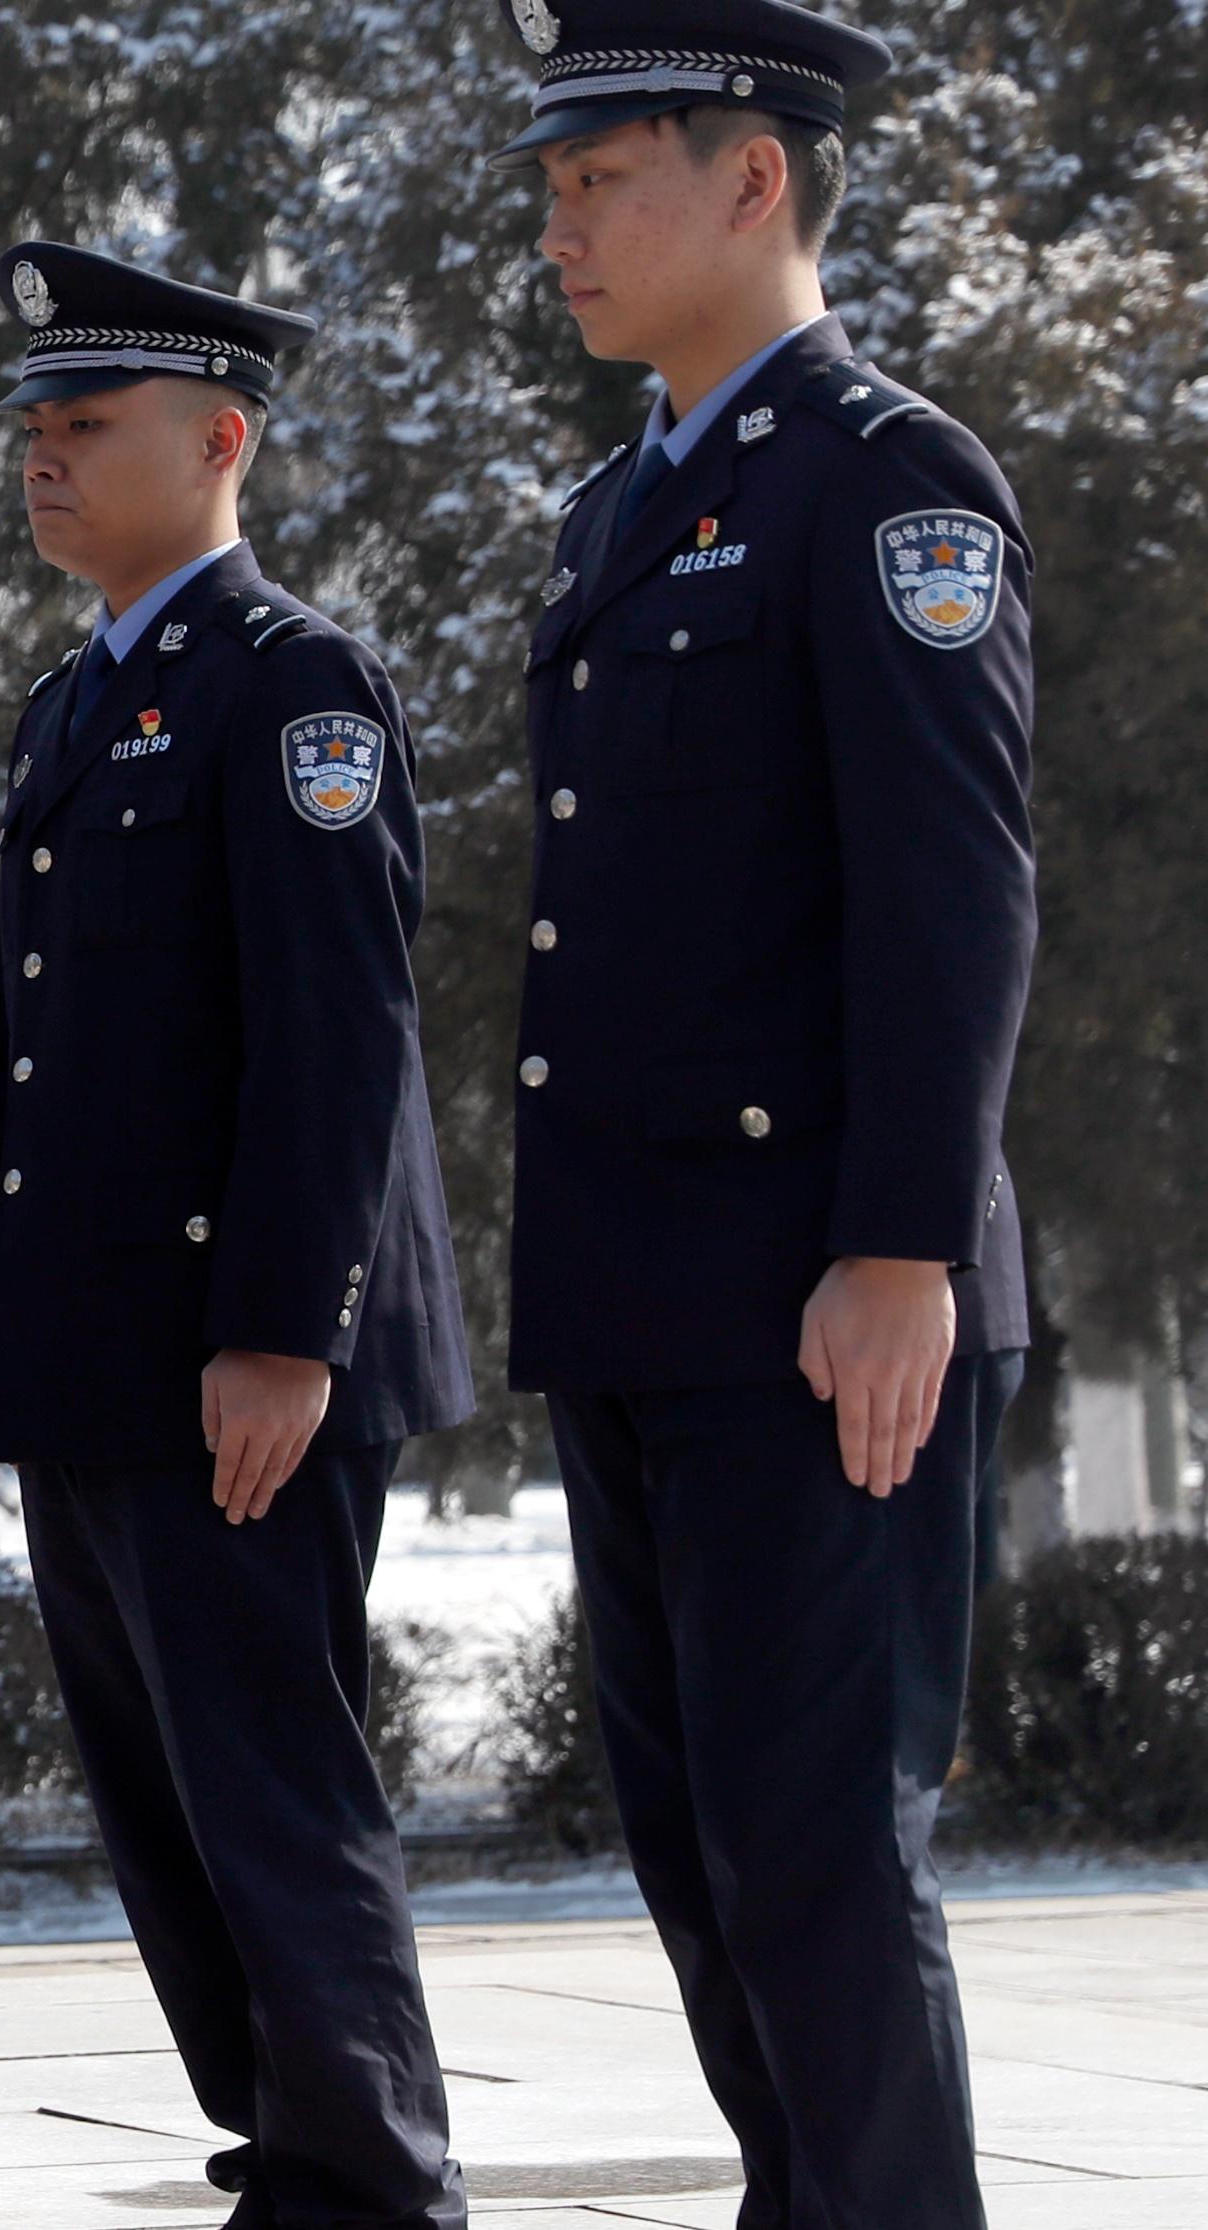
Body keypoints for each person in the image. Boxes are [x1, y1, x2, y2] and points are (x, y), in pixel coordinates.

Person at [486, 4, 1038, 2224]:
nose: (559, 231)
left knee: (820, 1865)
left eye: (598, 178)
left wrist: (902, 1244)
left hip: (826, 1298)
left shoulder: (889, 480)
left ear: (754, 178)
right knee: (712, 1874)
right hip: (643, 1300)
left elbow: (954, 883)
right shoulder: (626, 500)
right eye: (548, 191)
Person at [0, 242, 474, 2230]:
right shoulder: (73, 707)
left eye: (87, 426)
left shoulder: (296, 686)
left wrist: (285, 1324)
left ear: (220, 438)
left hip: (235, 1353)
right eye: (37, 427)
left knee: (266, 1776)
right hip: (98, 1352)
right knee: (164, 1802)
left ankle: (369, 2178)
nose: (45, 459)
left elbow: (341, 1029)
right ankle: (289, 2138)